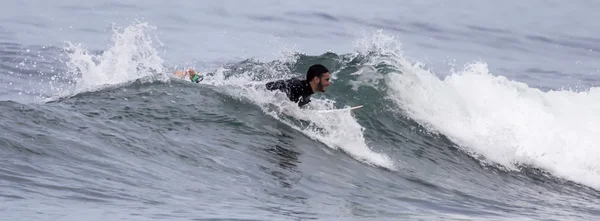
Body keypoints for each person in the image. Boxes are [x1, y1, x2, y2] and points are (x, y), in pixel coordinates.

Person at [265, 64, 331, 107]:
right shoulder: (297, 88)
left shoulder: (308, 90)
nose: (329, 83)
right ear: (316, 79)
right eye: (326, 80)